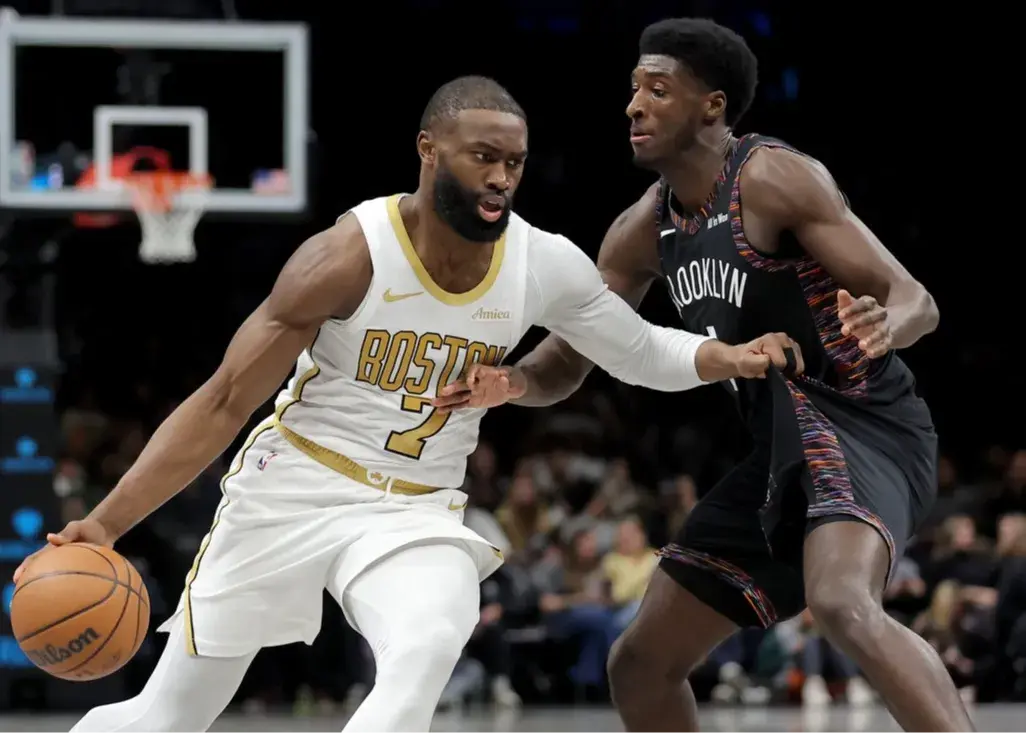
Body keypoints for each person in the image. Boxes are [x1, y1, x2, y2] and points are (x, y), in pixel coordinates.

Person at [15, 75, 798, 733]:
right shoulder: (347, 256)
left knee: (424, 648)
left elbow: (636, 348)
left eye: (514, 163)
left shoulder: (540, 261)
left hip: (414, 509)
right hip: (293, 487)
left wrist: (722, 356)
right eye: (483, 156)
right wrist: (107, 523)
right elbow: (222, 401)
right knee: (168, 715)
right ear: (429, 151)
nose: (501, 177)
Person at [432, 20, 971, 733]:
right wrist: (511, 382)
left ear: (712, 106)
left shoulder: (772, 178)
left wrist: (885, 326)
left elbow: (915, 299)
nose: (634, 105)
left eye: (658, 90)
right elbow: (566, 361)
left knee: (842, 603)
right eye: (633, 89)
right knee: (639, 663)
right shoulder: (641, 230)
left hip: (865, 428)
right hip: (778, 456)